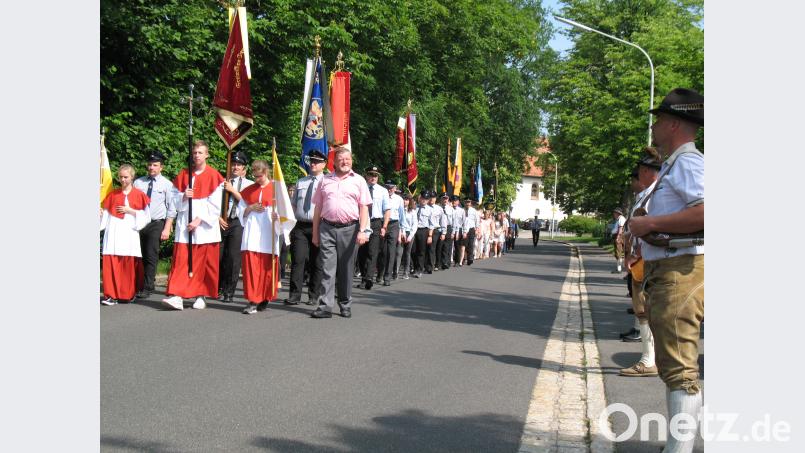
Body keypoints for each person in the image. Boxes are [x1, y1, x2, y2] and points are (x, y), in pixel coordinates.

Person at [627, 88, 704, 452]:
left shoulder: (688, 163)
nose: (654, 127)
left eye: (659, 120)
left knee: (680, 369)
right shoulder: (677, 163)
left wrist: (650, 222)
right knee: (675, 366)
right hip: (673, 267)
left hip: (681, 269)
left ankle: (680, 448)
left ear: (674, 123)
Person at [162, 140, 225, 310]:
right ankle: (177, 295)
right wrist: (183, 196)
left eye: (200, 152)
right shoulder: (183, 175)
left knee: (203, 263)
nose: (197, 155)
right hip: (185, 225)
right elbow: (173, 201)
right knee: (182, 260)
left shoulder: (214, 176)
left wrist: (199, 220)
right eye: (195, 152)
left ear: (207, 154)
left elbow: (215, 205)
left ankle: (201, 295)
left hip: (204, 227)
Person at [310, 146, 371, 318]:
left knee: (345, 269)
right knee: (327, 269)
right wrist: (315, 233)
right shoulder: (325, 180)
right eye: (341, 159)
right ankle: (325, 307)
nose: (345, 162)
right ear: (334, 162)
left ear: (351, 161)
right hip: (327, 228)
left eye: (348, 159)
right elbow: (318, 208)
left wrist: (362, 230)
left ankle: (345, 304)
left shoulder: (359, 180)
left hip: (350, 230)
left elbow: (364, 207)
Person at [620, 150, 662, 373]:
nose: (638, 174)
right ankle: (649, 358)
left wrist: (636, 253)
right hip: (641, 259)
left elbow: (650, 226)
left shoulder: (655, 193)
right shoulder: (648, 193)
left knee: (644, 310)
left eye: (641, 170)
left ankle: (649, 360)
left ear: (647, 171)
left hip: (646, 259)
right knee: (642, 310)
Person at [237, 159, 288, 314]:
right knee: (251, 268)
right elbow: (240, 212)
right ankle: (253, 300)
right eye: (255, 176)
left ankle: (265, 296)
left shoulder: (276, 189)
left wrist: (277, 217)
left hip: (268, 233)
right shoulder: (249, 190)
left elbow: (285, 213)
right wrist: (250, 208)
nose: (257, 179)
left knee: (266, 269)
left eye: (259, 176)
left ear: (266, 172)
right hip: (252, 233)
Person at [101, 164, 152, 305]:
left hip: (129, 232)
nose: (123, 180)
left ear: (132, 177)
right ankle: (111, 295)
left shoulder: (139, 195)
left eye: (126, 177)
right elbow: (104, 217)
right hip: (113, 232)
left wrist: (131, 211)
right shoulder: (112, 194)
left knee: (127, 265)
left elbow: (147, 216)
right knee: (112, 263)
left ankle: (127, 293)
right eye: (121, 177)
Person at [284, 150, 326, 306]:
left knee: (317, 262)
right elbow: (294, 205)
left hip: (320, 225)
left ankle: (314, 295)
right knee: (298, 260)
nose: (313, 164)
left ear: (324, 164)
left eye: (316, 162)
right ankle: (294, 295)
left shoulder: (327, 182)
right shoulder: (301, 182)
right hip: (300, 226)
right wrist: (290, 224)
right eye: (311, 161)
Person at [133, 151, 176, 299]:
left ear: (161, 167)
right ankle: (136, 284)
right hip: (138, 223)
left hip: (156, 223)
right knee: (137, 255)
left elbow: (171, 208)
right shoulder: (138, 183)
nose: (152, 167)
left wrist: (167, 228)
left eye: (155, 165)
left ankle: (148, 286)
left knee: (151, 255)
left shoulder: (167, 185)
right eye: (150, 164)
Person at [218, 150, 253, 303]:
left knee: (233, 257)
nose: (235, 167)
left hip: (238, 221)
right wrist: (218, 217)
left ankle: (229, 291)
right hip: (221, 220)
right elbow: (212, 202)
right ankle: (217, 286)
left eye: (239, 165)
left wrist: (233, 190)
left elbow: (247, 203)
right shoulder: (221, 182)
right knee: (218, 256)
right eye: (233, 164)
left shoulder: (249, 184)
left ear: (244, 168)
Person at [356, 165, 389, 290]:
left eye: (375, 175)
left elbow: (387, 210)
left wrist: (384, 226)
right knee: (361, 253)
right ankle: (364, 277)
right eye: (371, 175)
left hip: (375, 223)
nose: (373, 177)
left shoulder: (383, 191)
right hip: (362, 223)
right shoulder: (360, 188)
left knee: (372, 251)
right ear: (366, 176)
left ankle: (369, 278)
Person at [381, 180, 407, 286]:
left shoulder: (399, 199)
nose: (389, 189)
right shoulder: (382, 196)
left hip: (394, 225)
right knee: (382, 252)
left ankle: (387, 277)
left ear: (395, 188)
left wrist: (403, 231)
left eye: (391, 187)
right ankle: (379, 275)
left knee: (391, 252)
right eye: (387, 187)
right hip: (382, 224)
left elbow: (402, 216)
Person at [412, 191, 434, 278]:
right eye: (423, 198)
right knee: (413, 250)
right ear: (420, 198)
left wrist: (430, 236)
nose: (424, 200)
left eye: (426, 199)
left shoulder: (430, 210)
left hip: (423, 231)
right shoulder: (415, 208)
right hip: (413, 230)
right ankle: (415, 267)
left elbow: (432, 224)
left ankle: (419, 269)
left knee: (421, 251)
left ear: (428, 200)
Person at [399, 195, 417, 279]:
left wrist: (410, 236)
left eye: (406, 199)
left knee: (407, 253)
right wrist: (402, 233)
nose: (404, 201)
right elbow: (399, 223)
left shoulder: (413, 211)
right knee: (399, 253)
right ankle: (395, 271)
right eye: (403, 199)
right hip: (401, 232)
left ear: (410, 201)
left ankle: (406, 272)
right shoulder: (399, 210)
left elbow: (414, 225)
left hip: (410, 233)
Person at [427, 192, 445, 272]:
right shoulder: (424, 207)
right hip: (425, 229)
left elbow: (443, 221)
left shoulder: (439, 208)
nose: (431, 199)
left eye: (433, 197)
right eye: (430, 197)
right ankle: (426, 265)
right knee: (424, 249)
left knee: (432, 248)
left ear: (435, 198)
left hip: (435, 230)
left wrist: (444, 232)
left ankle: (432, 266)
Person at [438, 193, 454, 269]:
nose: (445, 200)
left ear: (448, 199)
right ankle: (440, 262)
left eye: (446, 198)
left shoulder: (451, 209)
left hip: (448, 227)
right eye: (443, 198)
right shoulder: (438, 208)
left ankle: (446, 262)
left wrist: (453, 231)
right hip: (439, 227)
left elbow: (454, 221)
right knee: (440, 245)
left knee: (447, 246)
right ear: (441, 199)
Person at [462, 198, 478, 265]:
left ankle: (470, 258)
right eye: (466, 202)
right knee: (464, 244)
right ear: (464, 203)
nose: (467, 203)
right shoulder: (462, 210)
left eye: (469, 202)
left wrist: (476, 229)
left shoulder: (474, 210)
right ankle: (463, 258)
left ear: (470, 203)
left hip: (471, 229)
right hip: (464, 229)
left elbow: (477, 220)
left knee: (471, 244)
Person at [450, 196, 465, 267]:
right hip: (450, 229)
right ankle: (449, 260)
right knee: (449, 245)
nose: (454, 202)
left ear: (458, 202)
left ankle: (457, 261)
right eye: (453, 201)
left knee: (457, 245)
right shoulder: (449, 209)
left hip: (458, 229)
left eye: (455, 201)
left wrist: (464, 231)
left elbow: (464, 222)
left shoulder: (461, 210)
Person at [610, 207, 626, 272]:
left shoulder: (621, 219)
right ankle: (618, 268)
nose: (614, 214)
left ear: (617, 213)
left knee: (618, 252)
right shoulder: (619, 219)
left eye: (615, 213)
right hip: (618, 236)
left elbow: (620, 228)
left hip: (619, 236)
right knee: (618, 252)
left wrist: (618, 237)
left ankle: (619, 269)